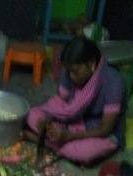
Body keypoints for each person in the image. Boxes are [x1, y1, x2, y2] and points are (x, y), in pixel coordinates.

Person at [23, 36, 127, 165]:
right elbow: (59, 101)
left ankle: (41, 140)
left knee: (82, 152)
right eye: (68, 71)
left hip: (99, 131)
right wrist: (48, 118)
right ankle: (54, 143)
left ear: (92, 64)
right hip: (74, 120)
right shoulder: (70, 70)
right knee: (32, 115)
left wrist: (68, 135)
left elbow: (105, 129)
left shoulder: (113, 82)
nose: (71, 76)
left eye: (75, 71)